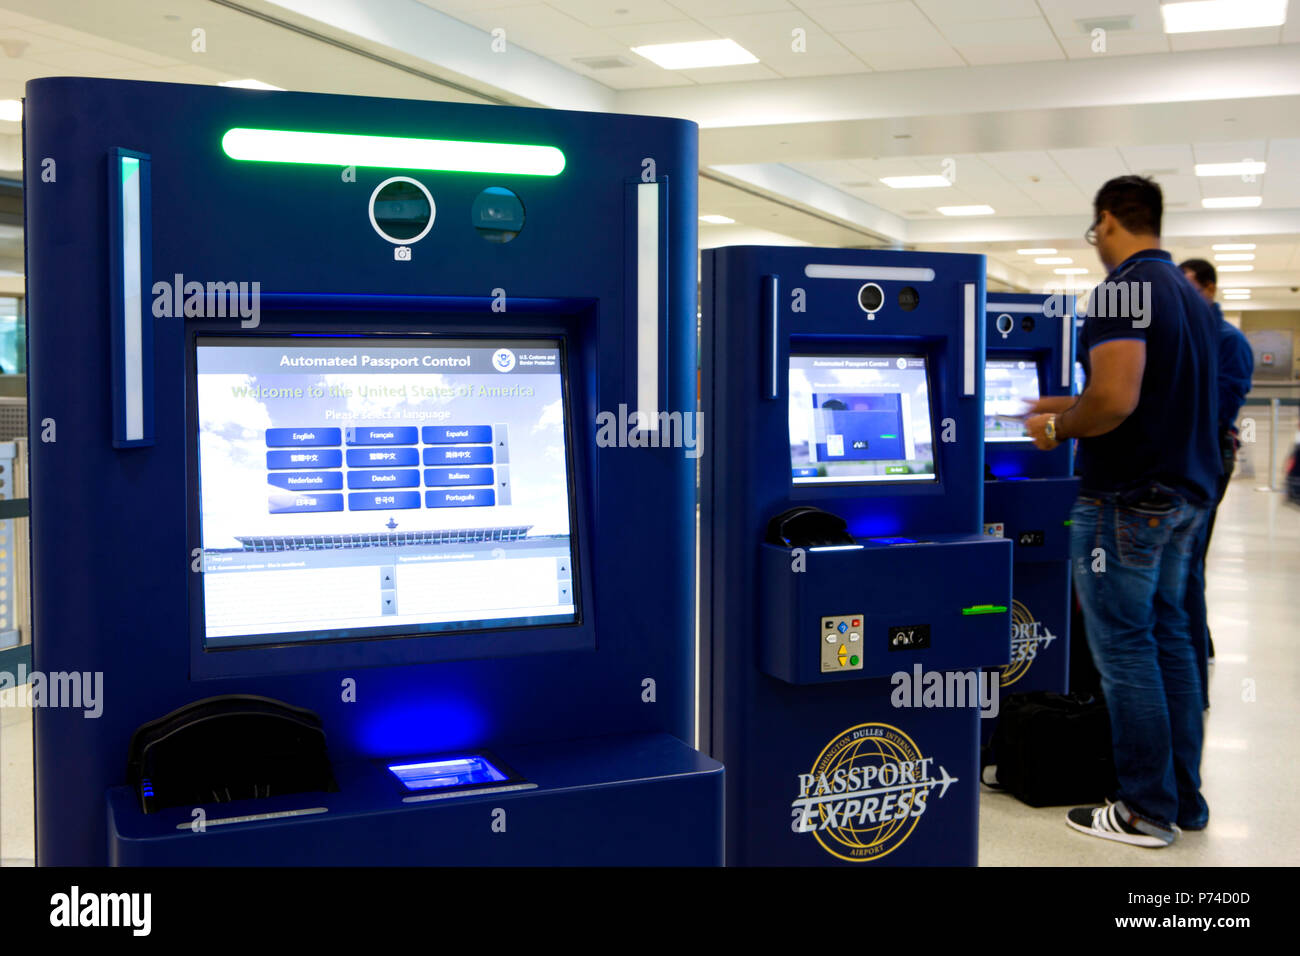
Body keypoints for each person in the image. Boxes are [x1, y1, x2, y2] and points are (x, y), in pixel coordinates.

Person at [1024, 175, 1220, 847]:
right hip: (1184, 497)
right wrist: (1068, 407)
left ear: (1108, 222)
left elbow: (1113, 400)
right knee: (1171, 644)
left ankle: (1142, 810)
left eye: (1095, 232)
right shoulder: (1194, 302)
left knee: (1126, 651)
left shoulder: (1123, 291)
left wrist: (1056, 429)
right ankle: (1183, 800)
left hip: (1126, 501)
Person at [1179, 258, 1254, 706]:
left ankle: (1193, 673)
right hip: (1182, 460)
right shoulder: (1190, 337)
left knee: (1188, 565)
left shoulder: (1229, 342)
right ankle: (1198, 643)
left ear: (1208, 289)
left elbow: (1221, 408)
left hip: (1206, 461)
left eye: (1189, 289)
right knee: (1184, 568)